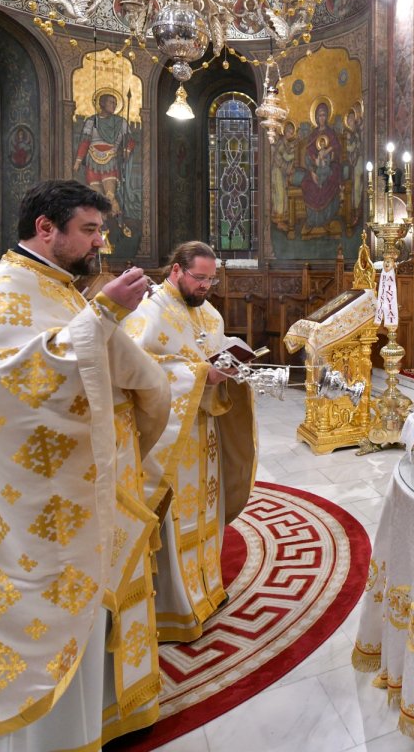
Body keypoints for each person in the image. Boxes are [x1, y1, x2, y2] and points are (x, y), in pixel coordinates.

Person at [0, 180, 170, 749]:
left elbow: (95, 355)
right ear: (45, 228)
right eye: (88, 230)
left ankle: (97, 717)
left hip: (79, 489)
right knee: (44, 611)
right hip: (33, 507)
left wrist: (144, 377)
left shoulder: (58, 287)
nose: (98, 242)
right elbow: (28, 380)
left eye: (98, 230)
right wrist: (107, 312)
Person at [122, 241, 258, 642]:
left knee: (206, 514)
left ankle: (207, 590)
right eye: (200, 278)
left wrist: (227, 368)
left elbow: (210, 356)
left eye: (211, 279)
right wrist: (201, 375)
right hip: (169, 438)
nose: (206, 287)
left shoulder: (210, 315)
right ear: (176, 271)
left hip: (205, 433)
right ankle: (175, 607)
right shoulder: (149, 312)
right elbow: (136, 373)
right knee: (176, 518)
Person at [74, 90, 136, 222]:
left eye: (115, 103)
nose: (114, 105)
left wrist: (127, 150)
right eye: (111, 102)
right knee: (97, 198)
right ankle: (102, 227)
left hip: (110, 161)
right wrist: (78, 161)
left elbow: (130, 140)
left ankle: (118, 221)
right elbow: (85, 141)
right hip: (92, 162)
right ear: (102, 103)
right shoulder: (92, 121)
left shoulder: (121, 122)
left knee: (110, 196)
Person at [298, 100, 345, 237]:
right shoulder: (313, 134)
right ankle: (313, 220)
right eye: (319, 115)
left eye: (324, 115)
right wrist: (312, 171)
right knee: (308, 183)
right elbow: (308, 154)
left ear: (327, 116)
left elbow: (337, 148)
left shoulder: (331, 132)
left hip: (330, 166)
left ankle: (326, 219)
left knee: (329, 181)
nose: (322, 118)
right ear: (316, 118)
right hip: (315, 168)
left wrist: (327, 151)